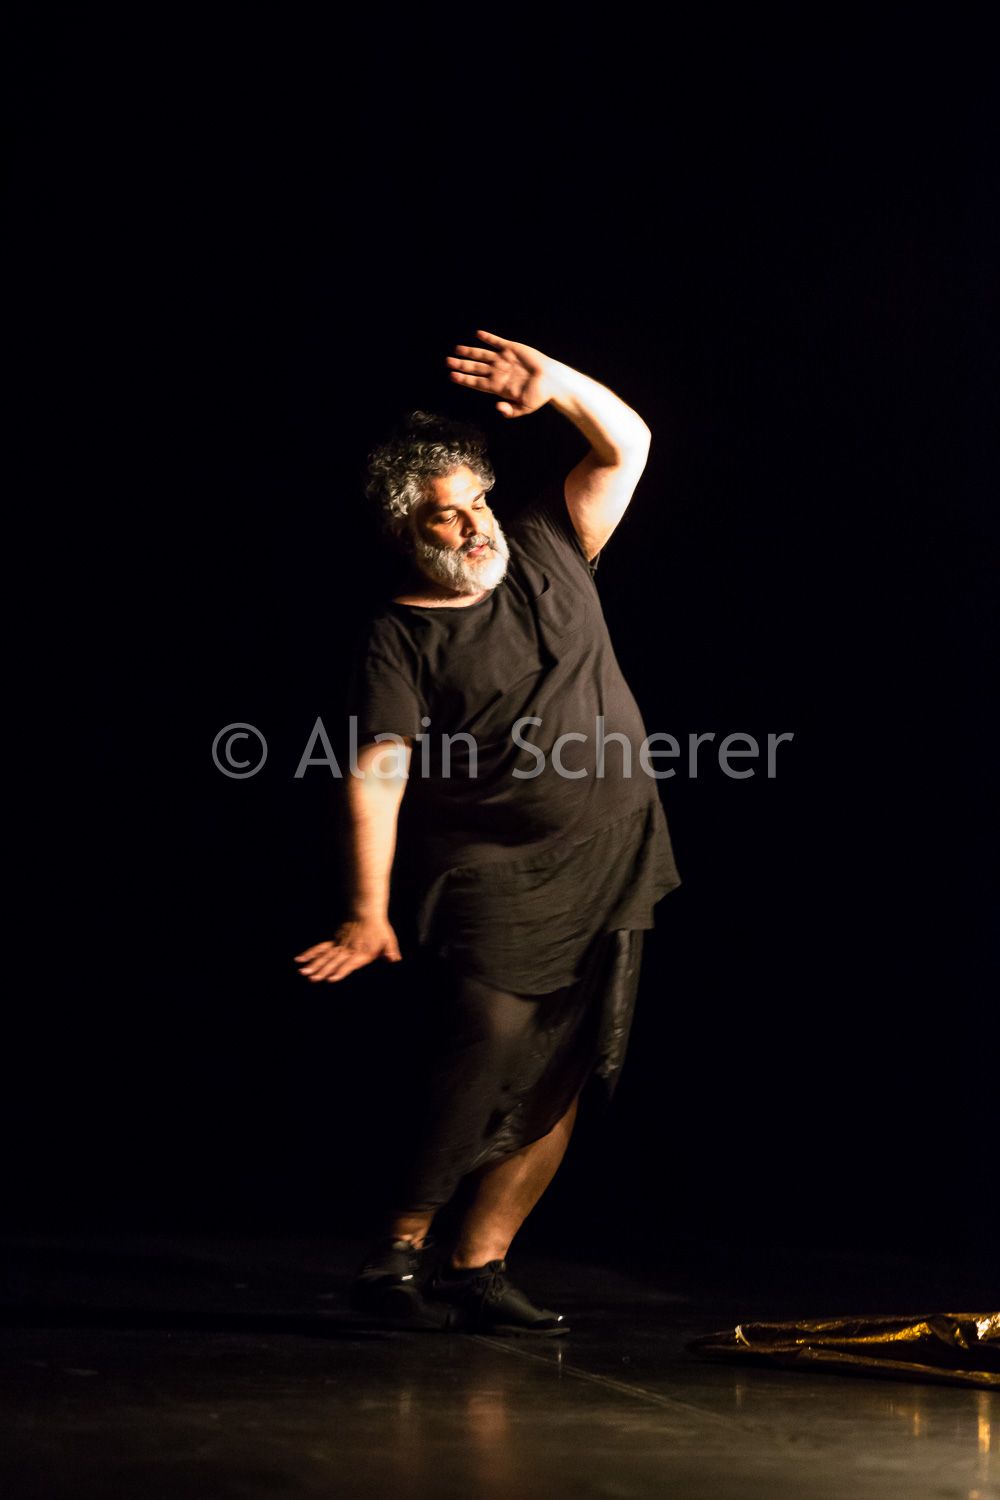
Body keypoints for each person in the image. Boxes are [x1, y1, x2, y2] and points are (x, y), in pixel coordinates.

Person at [295, 330, 680, 1336]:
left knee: (565, 1069)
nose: (473, 524)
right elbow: (377, 772)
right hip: (495, 873)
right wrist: (366, 909)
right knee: (488, 1048)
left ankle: (480, 1264)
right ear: (408, 530)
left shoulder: (549, 539)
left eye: (477, 501)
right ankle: (399, 1249)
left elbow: (626, 444)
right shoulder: (399, 634)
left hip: (613, 853)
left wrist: (557, 385)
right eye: (447, 513)